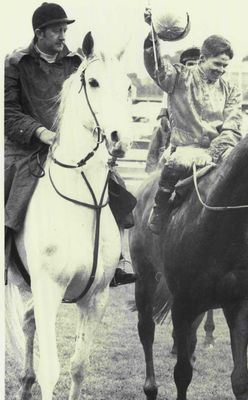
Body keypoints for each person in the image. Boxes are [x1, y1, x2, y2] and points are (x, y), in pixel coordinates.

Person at [4, 2, 136, 287]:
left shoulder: (77, 63)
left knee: (118, 189)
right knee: (8, 197)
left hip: (72, 148)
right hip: (27, 146)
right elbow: (9, 112)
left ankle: (118, 259)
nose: (63, 36)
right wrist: (41, 133)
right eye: (56, 31)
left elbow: (93, 104)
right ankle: (4, 258)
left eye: (65, 30)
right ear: (39, 34)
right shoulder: (16, 62)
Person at [143, 10, 242, 234]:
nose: (221, 71)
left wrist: (214, 152)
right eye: (217, 64)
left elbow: (233, 126)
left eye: (225, 66)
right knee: (177, 163)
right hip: (184, 150)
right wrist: (152, 35)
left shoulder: (232, 89)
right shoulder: (178, 77)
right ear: (202, 59)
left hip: (220, 150)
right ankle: (160, 207)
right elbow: (156, 67)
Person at [145, 46, 201, 173]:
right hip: (176, 122)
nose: (193, 67)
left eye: (197, 64)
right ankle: (152, 171)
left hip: (197, 130)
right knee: (159, 131)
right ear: (184, 65)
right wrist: (164, 115)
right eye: (190, 64)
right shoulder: (177, 80)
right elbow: (167, 97)